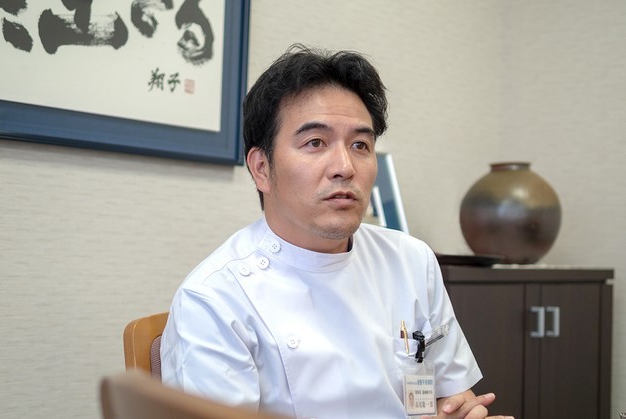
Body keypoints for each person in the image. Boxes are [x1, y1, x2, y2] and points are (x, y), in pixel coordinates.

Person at [161, 44, 512, 419]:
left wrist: (464, 411)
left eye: (360, 145)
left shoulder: (411, 260)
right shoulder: (215, 299)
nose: (345, 166)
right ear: (261, 168)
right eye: (315, 143)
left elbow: (455, 396)